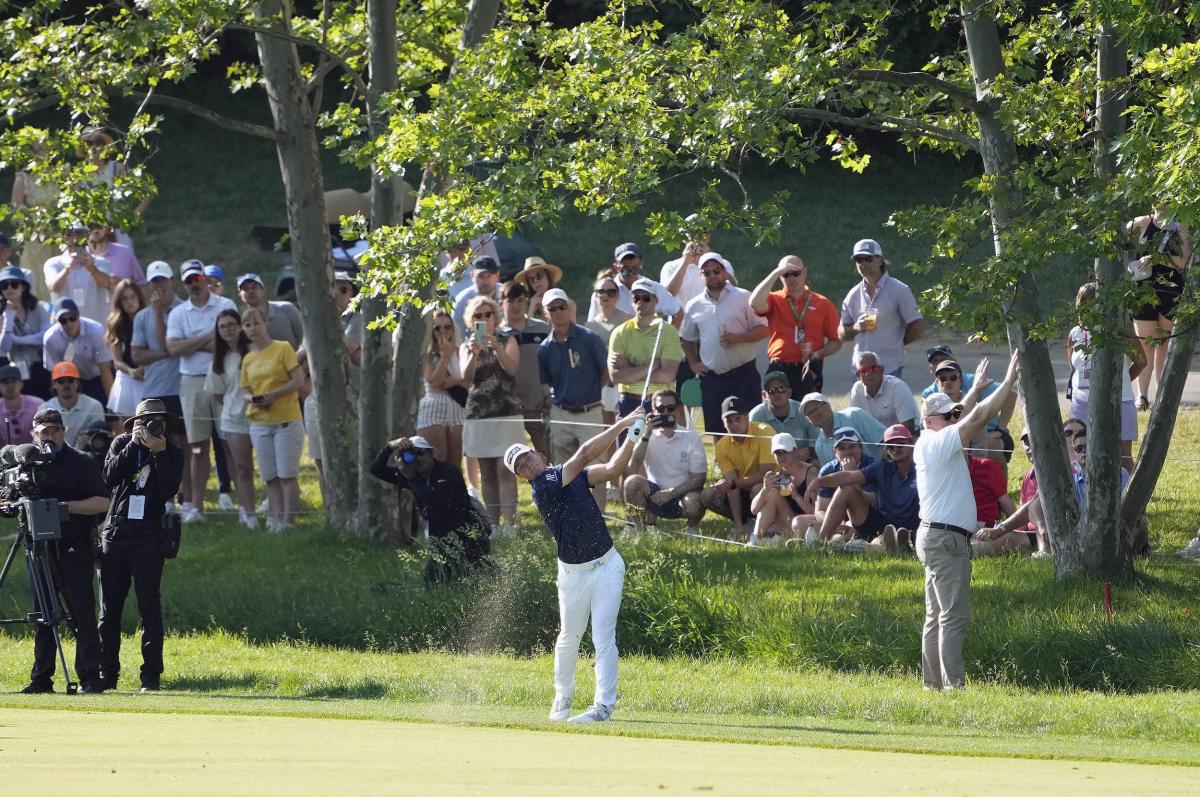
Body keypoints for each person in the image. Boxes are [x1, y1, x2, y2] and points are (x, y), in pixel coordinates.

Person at [505, 408, 647, 724]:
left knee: (603, 636)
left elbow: (612, 469)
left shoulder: (565, 474)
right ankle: (562, 698)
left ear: (537, 453)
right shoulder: (544, 487)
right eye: (521, 466)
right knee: (569, 637)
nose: (527, 464)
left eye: (527, 457)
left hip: (608, 565)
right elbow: (583, 454)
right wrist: (621, 424)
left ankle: (603, 707)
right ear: (521, 476)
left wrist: (632, 439)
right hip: (573, 576)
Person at [914, 350, 1020, 691]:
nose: (952, 418)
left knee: (935, 616)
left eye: (952, 414)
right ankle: (953, 688)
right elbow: (980, 416)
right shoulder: (942, 439)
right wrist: (1008, 382)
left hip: (933, 536)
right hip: (946, 541)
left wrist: (973, 391)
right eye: (945, 416)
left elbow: (964, 412)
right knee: (953, 617)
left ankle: (932, 685)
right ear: (930, 420)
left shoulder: (929, 439)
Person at [17, 407, 111, 694]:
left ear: (64, 432)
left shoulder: (80, 462)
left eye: (56, 430)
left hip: (74, 545)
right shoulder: (25, 464)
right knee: (43, 613)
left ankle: (90, 676)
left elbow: (103, 502)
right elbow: (9, 498)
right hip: (38, 549)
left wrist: (64, 509)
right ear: (34, 434)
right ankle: (41, 678)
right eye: (45, 431)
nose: (51, 436)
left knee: (82, 611)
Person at [97, 399, 185, 692]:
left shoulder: (172, 452)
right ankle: (106, 674)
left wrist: (158, 454)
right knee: (110, 610)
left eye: (157, 421)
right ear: (135, 422)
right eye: (146, 420)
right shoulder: (122, 442)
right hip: (118, 531)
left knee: (150, 607)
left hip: (149, 534)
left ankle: (150, 677)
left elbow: (167, 489)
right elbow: (109, 477)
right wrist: (135, 445)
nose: (151, 426)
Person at [166, 260, 236, 523]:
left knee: (232, 441)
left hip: (224, 377)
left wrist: (192, 344)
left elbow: (230, 343)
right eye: (189, 281)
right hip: (192, 382)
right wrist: (209, 338)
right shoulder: (178, 313)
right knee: (197, 447)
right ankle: (196, 506)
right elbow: (173, 349)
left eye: (197, 280)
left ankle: (242, 503)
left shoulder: (225, 305)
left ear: (206, 280)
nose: (194, 285)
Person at [370, 436, 492, 586]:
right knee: (432, 584)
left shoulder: (448, 472)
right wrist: (390, 446)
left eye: (420, 453)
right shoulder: (414, 475)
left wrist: (411, 478)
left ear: (431, 454)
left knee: (459, 582)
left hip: (467, 541)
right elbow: (376, 469)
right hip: (441, 544)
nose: (417, 459)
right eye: (412, 455)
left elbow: (437, 502)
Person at [680, 252, 768, 436]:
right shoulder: (694, 305)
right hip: (713, 377)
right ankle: (723, 464)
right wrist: (693, 363)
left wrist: (740, 338)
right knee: (716, 428)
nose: (712, 275)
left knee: (752, 425)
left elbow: (764, 329)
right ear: (701, 276)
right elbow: (687, 338)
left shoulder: (743, 297)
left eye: (716, 271)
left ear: (725, 272)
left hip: (744, 373)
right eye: (707, 272)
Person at [460, 294, 524, 528]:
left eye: (488, 314)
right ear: (471, 320)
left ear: (495, 317)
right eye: (479, 315)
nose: (484, 318)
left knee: (505, 469)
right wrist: (474, 354)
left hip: (507, 413)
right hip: (479, 416)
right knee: (487, 472)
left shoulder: (507, 339)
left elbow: (512, 369)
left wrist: (496, 347)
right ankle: (494, 525)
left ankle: (511, 524)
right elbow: (466, 379)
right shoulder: (467, 346)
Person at [1066, 282, 1142, 473]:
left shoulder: (1122, 329)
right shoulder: (1074, 333)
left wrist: (1118, 384)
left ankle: (1129, 497)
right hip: (1081, 401)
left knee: (1123, 458)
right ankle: (1083, 494)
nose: (1089, 308)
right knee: (1079, 453)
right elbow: (1074, 368)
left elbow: (1141, 362)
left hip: (1119, 399)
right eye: (1084, 303)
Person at [807, 424, 919, 553]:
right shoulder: (881, 467)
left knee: (885, 540)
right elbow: (850, 477)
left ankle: (889, 545)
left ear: (912, 443)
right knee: (846, 489)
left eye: (900, 444)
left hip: (914, 524)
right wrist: (819, 481)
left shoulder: (923, 468)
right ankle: (821, 543)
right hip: (884, 523)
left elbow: (871, 499)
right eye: (890, 446)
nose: (895, 449)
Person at [240, 306, 304, 531]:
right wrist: (253, 398)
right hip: (259, 422)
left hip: (286, 419)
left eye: (256, 323)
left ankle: (288, 522)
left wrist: (274, 395)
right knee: (270, 476)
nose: (252, 329)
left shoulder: (282, 348)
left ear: (265, 323)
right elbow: (245, 389)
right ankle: (275, 520)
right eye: (247, 325)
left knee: (287, 474)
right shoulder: (248, 358)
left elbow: (297, 380)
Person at [131, 261, 186, 507]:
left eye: (162, 280)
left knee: (180, 446)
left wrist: (159, 316)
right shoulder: (143, 316)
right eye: (154, 282)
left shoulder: (184, 310)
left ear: (171, 281)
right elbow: (137, 355)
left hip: (179, 388)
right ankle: (160, 497)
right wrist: (165, 352)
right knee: (151, 444)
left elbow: (167, 347)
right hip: (153, 391)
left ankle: (185, 496)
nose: (159, 286)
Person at [748, 254, 842, 397]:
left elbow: (836, 341)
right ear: (781, 278)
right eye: (786, 274)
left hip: (809, 366)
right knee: (776, 413)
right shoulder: (774, 299)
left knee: (809, 414)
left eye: (796, 273)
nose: (791, 278)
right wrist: (775, 273)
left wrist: (818, 354)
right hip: (779, 367)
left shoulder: (823, 303)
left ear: (804, 272)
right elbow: (754, 303)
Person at [1126, 210, 1191, 409]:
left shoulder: (1180, 225)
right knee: (1145, 343)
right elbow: (1117, 235)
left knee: (1163, 343)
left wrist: (1158, 260)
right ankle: (1142, 397)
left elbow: (1183, 261)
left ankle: (1162, 395)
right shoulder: (1143, 222)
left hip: (1170, 290)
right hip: (1143, 290)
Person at [540, 288, 610, 463]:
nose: (558, 312)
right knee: (563, 468)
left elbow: (605, 372)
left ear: (569, 308)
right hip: (561, 413)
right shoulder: (544, 348)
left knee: (594, 466)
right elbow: (547, 382)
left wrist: (590, 392)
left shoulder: (589, 339)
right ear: (545, 313)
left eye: (562, 307)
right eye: (552, 309)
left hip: (589, 411)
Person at [622, 390, 707, 534]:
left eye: (671, 408)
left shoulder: (692, 437)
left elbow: (699, 478)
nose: (666, 412)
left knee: (694, 501)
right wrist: (646, 434)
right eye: (661, 409)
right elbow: (634, 465)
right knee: (631, 482)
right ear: (654, 411)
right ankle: (639, 532)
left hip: (683, 492)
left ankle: (692, 528)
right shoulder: (647, 435)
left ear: (679, 409)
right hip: (654, 494)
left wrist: (671, 493)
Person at [838, 238, 926, 377]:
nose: (863, 263)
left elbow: (918, 325)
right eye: (859, 260)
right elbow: (841, 333)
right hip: (860, 369)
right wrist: (856, 328)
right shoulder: (853, 294)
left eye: (868, 258)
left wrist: (898, 343)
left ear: (880, 260)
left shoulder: (899, 289)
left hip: (889, 368)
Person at [206, 309, 257, 529]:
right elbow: (217, 394)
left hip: (261, 415)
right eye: (222, 326)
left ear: (240, 326)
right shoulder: (219, 360)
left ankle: (277, 510)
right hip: (233, 418)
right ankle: (249, 513)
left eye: (231, 324)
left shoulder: (254, 352)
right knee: (242, 466)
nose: (227, 330)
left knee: (267, 466)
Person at [701, 396, 773, 541]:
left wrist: (734, 483)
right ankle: (743, 525)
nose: (734, 424)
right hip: (741, 489)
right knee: (707, 495)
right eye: (729, 420)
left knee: (758, 488)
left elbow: (766, 473)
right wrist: (739, 524)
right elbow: (731, 482)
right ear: (723, 422)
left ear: (746, 417)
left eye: (737, 418)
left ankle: (768, 527)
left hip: (769, 486)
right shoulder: (721, 445)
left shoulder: (765, 431)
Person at [607, 279, 681, 417]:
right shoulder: (620, 332)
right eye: (636, 298)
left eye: (646, 298)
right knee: (627, 440)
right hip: (628, 402)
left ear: (656, 301)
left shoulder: (669, 332)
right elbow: (616, 376)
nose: (640, 302)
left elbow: (667, 376)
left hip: (661, 405)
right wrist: (652, 366)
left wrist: (630, 368)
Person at [500, 281, 551, 456]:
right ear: (502, 304)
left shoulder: (542, 328)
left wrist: (550, 392)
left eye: (520, 300)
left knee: (547, 454)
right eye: (511, 301)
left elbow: (552, 364)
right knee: (514, 461)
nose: (516, 306)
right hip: (509, 409)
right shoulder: (497, 335)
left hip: (540, 404)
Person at [416, 309, 468, 473]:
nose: (443, 331)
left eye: (447, 327)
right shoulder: (426, 354)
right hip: (433, 408)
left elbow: (470, 381)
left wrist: (453, 381)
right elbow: (435, 380)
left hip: (458, 408)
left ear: (453, 329)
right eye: (437, 328)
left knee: (455, 467)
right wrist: (445, 356)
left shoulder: (462, 351)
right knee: (435, 464)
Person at [749, 432, 818, 545]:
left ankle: (779, 539)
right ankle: (756, 540)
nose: (781, 456)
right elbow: (754, 510)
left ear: (795, 451)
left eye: (785, 451)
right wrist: (765, 489)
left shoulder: (811, 473)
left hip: (807, 526)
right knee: (771, 493)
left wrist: (796, 496)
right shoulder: (777, 476)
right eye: (777, 453)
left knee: (774, 494)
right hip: (787, 524)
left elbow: (818, 513)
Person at [43, 297, 115, 404]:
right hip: (73, 382)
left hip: (99, 377)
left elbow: (105, 369)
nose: (69, 324)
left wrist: (113, 403)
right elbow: (55, 374)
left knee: (109, 414)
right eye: (63, 321)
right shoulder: (51, 338)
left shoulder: (96, 331)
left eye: (72, 318)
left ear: (79, 315)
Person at [587, 242, 682, 323]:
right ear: (616, 267)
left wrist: (668, 336)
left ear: (641, 264)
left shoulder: (654, 288)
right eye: (625, 269)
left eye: (635, 269)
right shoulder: (604, 292)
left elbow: (678, 313)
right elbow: (592, 324)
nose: (630, 273)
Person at [43, 220, 113, 326]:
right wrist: (67, 269)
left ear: (87, 235)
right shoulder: (53, 263)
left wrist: (92, 269)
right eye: (69, 234)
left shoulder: (101, 262)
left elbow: (107, 283)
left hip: (96, 327)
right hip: (63, 327)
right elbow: (54, 287)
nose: (75, 239)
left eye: (79, 233)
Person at [0, 264, 52, 398]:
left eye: (14, 284)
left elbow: (44, 336)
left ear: (23, 286)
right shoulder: (2, 314)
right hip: (14, 370)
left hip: (39, 365)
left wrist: (16, 340)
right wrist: (9, 318)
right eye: (5, 285)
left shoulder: (38, 308)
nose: (10, 288)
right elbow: (5, 346)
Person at [586, 274, 632, 423]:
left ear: (618, 296)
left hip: (623, 379)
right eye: (601, 291)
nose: (606, 295)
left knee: (624, 422)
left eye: (611, 292)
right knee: (606, 424)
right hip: (601, 380)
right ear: (596, 296)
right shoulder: (590, 325)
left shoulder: (628, 319)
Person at [104, 279, 147, 429]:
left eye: (132, 297)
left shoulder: (149, 319)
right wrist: (131, 371)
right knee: (130, 428)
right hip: (128, 378)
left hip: (148, 376)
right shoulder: (117, 324)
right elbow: (117, 361)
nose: (130, 302)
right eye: (125, 298)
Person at [798, 392, 885, 465]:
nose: (815, 414)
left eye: (817, 408)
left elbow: (886, 443)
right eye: (810, 413)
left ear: (828, 405)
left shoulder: (855, 415)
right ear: (808, 420)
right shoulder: (819, 445)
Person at [848, 350, 919, 433]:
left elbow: (908, 428)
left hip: (903, 438)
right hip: (875, 440)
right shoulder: (857, 390)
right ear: (858, 376)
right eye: (863, 371)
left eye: (872, 368)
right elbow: (854, 425)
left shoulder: (897, 386)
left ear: (882, 370)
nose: (868, 374)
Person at [38, 361, 106, 446]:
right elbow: (41, 440)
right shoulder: (44, 408)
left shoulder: (94, 406)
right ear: (54, 384)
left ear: (77, 383)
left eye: (70, 380)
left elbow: (97, 439)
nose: (66, 385)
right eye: (61, 381)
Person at [747, 371, 818, 447]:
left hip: (803, 458)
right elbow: (752, 448)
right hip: (768, 458)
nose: (777, 394)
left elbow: (816, 440)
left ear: (789, 392)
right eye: (771, 390)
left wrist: (809, 451)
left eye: (781, 388)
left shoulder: (803, 411)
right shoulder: (756, 416)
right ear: (764, 395)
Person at [237, 272, 304, 350]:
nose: (251, 291)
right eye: (246, 289)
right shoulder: (243, 322)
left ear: (263, 290)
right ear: (240, 296)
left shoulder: (287, 308)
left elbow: (306, 337)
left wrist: (301, 356)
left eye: (254, 287)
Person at [452, 255, 502, 336]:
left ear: (497, 276)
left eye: (489, 276)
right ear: (472, 276)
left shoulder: (506, 294)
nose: (485, 280)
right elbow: (457, 335)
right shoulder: (462, 301)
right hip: (474, 346)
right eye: (481, 276)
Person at [0, 363, 42, 444]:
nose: (10, 386)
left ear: (21, 384)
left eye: (14, 381)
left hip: (34, 454)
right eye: (5, 382)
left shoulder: (38, 405)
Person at [512, 256, 563, 321]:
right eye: (531, 279)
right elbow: (526, 329)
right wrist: (532, 308)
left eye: (539, 276)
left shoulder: (562, 300)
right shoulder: (525, 304)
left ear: (548, 277)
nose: (536, 281)